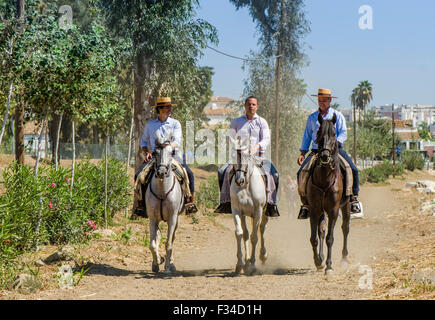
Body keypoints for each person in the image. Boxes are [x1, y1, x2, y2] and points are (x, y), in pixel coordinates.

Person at [296, 88, 361, 219]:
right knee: (301, 172)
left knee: (352, 169)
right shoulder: (312, 118)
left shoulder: (337, 115)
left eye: (324, 100)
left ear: (330, 100)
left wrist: (336, 143)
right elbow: (307, 136)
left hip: (335, 149)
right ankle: (305, 204)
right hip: (316, 151)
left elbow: (343, 133)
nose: (322, 103)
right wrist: (303, 152)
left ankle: (353, 198)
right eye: (320, 100)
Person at [214, 96, 280, 217]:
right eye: (249, 104)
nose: (251, 106)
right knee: (222, 171)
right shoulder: (237, 122)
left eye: (254, 104)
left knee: (274, 175)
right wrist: (235, 144)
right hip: (239, 157)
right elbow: (228, 137)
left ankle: (272, 204)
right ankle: (225, 202)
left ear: (257, 106)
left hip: (258, 157)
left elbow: (266, 139)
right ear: (245, 106)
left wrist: (257, 147)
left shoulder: (262, 122)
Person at [133, 97, 197, 217]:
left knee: (189, 174)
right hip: (155, 157)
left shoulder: (175, 123)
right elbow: (143, 142)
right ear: (159, 109)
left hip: (173, 156)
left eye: (170, 107)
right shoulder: (150, 125)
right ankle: (141, 205)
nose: (170, 109)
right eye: (167, 107)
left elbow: (177, 141)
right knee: (138, 175)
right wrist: (147, 152)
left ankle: (189, 202)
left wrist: (167, 148)